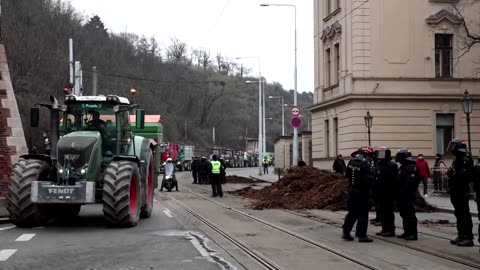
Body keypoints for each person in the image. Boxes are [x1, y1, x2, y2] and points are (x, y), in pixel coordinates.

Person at [342, 146, 375, 243]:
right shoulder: (365, 165)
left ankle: (346, 233)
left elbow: (347, 175)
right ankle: (362, 235)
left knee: (352, 213)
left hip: (352, 190)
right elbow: (368, 180)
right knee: (363, 214)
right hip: (362, 192)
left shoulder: (351, 162)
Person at [446, 138, 474, 247]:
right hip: (456, 190)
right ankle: (461, 235)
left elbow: (463, 176)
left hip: (462, 190)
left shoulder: (464, 159)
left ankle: (468, 237)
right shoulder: (457, 159)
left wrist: (453, 175)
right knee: (458, 213)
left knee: (464, 213)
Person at [395, 148, 419, 241]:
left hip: (408, 194)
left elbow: (410, 183)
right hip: (401, 194)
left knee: (410, 214)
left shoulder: (411, 167)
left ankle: (413, 233)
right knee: (404, 213)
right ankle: (407, 231)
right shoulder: (403, 166)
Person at [374, 147, 398, 237]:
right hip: (380, 192)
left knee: (388, 211)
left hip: (388, 192)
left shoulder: (392, 165)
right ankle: (384, 228)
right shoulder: (378, 165)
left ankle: (390, 229)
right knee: (382, 211)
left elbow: (394, 180)